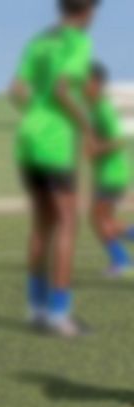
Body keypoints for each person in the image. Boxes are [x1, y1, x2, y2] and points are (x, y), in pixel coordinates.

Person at [9, 0, 99, 336]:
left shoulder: (40, 42)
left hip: (30, 140)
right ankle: (59, 314)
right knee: (67, 224)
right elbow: (63, 90)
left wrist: (38, 114)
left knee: (42, 225)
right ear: (87, 11)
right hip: (55, 146)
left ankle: (36, 308)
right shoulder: (77, 42)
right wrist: (86, 128)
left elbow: (18, 91)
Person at [85, 62, 133, 277]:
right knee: (104, 220)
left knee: (100, 220)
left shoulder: (102, 108)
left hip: (111, 175)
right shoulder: (95, 109)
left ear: (95, 82)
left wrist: (96, 149)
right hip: (108, 173)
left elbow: (118, 141)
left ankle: (122, 261)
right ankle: (122, 260)